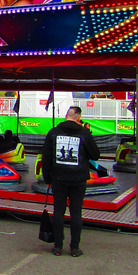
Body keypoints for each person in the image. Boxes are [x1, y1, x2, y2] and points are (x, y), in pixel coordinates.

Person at [41, 106, 100, 257]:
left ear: (66, 115)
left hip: (58, 178)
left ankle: (58, 246)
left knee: (59, 211)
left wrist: (47, 178)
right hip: (78, 179)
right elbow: (95, 155)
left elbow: (46, 157)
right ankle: (75, 248)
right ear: (79, 117)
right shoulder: (84, 134)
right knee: (76, 213)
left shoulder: (53, 132)